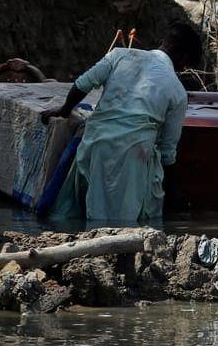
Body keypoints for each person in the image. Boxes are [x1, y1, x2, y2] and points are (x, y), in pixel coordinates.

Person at [41, 22, 202, 223]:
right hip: (132, 161)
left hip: (94, 148)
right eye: (186, 66)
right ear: (183, 58)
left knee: (80, 215)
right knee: (127, 225)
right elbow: (167, 152)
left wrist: (64, 110)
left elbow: (82, 84)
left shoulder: (119, 55)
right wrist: (172, 192)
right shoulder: (177, 91)